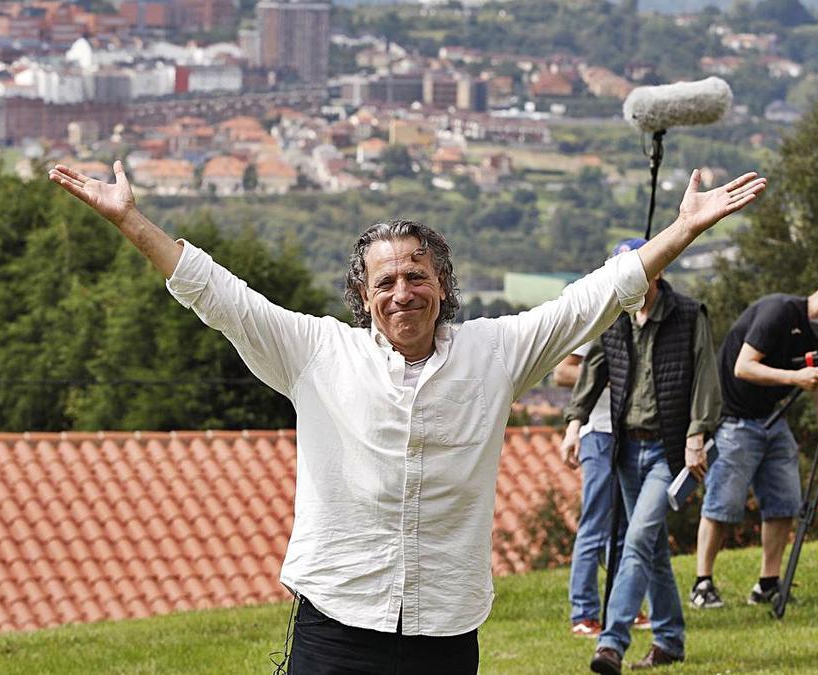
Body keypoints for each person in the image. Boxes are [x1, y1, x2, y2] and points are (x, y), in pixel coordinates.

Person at [48, 160, 766, 673]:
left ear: (443, 284)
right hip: (334, 624)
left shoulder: (497, 350)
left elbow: (595, 296)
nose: (403, 292)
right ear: (362, 296)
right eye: (385, 280)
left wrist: (680, 233)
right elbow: (216, 293)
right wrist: (130, 220)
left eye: (417, 275)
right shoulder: (315, 351)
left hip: (445, 629)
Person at [561, 239, 721, 675]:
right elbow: (592, 369)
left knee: (635, 541)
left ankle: (611, 644)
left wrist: (696, 434)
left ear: (657, 271)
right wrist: (575, 423)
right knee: (651, 552)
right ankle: (669, 640)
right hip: (626, 448)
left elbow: (707, 374)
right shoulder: (615, 316)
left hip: (668, 451)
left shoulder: (689, 314)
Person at [689, 270, 818, 610]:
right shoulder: (778, 311)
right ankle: (702, 584)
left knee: (784, 502)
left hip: (772, 422)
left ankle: (768, 583)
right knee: (721, 505)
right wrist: (794, 376)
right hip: (735, 419)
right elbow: (744, 367)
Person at [554, 245, 649, 637]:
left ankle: (623, 608)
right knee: (595, 523)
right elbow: (562, 373)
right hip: (598, 431)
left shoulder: (642, 314)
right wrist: (612, 376)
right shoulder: (600, 314)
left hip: (630, 431)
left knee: (624, 525)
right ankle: (584, 613)